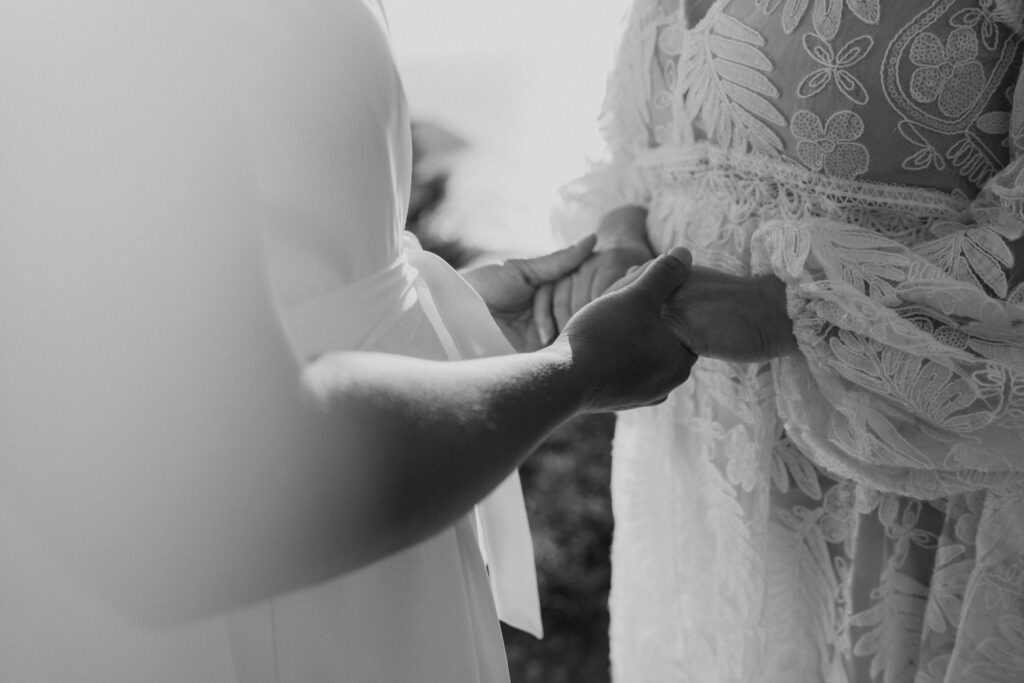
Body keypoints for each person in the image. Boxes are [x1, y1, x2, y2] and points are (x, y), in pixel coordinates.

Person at [0, 1, 696, 681]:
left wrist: (448, 322)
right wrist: (574, 370)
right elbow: (211, 485)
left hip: (356, 562)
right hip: (263, 594)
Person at [546, 0, 1024, 680]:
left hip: (918, 522)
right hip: (701, 520)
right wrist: (622, 234)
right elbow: (642, 162)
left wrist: (789, 311)